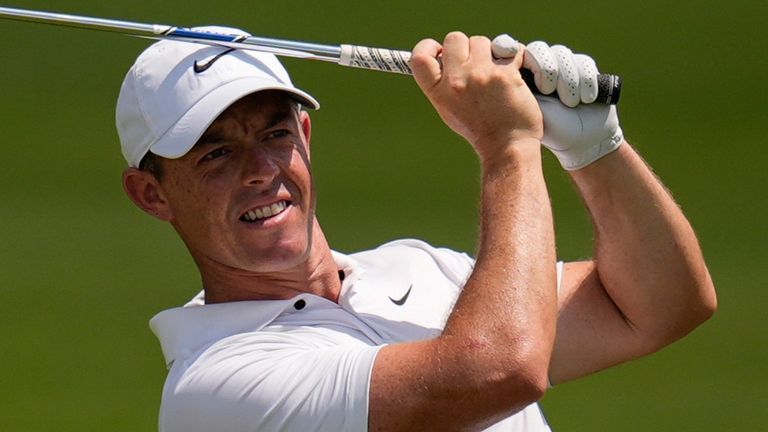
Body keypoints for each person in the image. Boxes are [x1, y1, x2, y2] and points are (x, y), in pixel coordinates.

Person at [117, 26, 716, 432]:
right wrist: (508, 145)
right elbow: (501, 368)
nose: (261, 171)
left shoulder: (416, 268)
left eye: (275, 134)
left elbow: (662, 306)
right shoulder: (217, 387)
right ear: (152, 194)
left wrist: (595, 148)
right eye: (214, 154)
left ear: (305, 137)